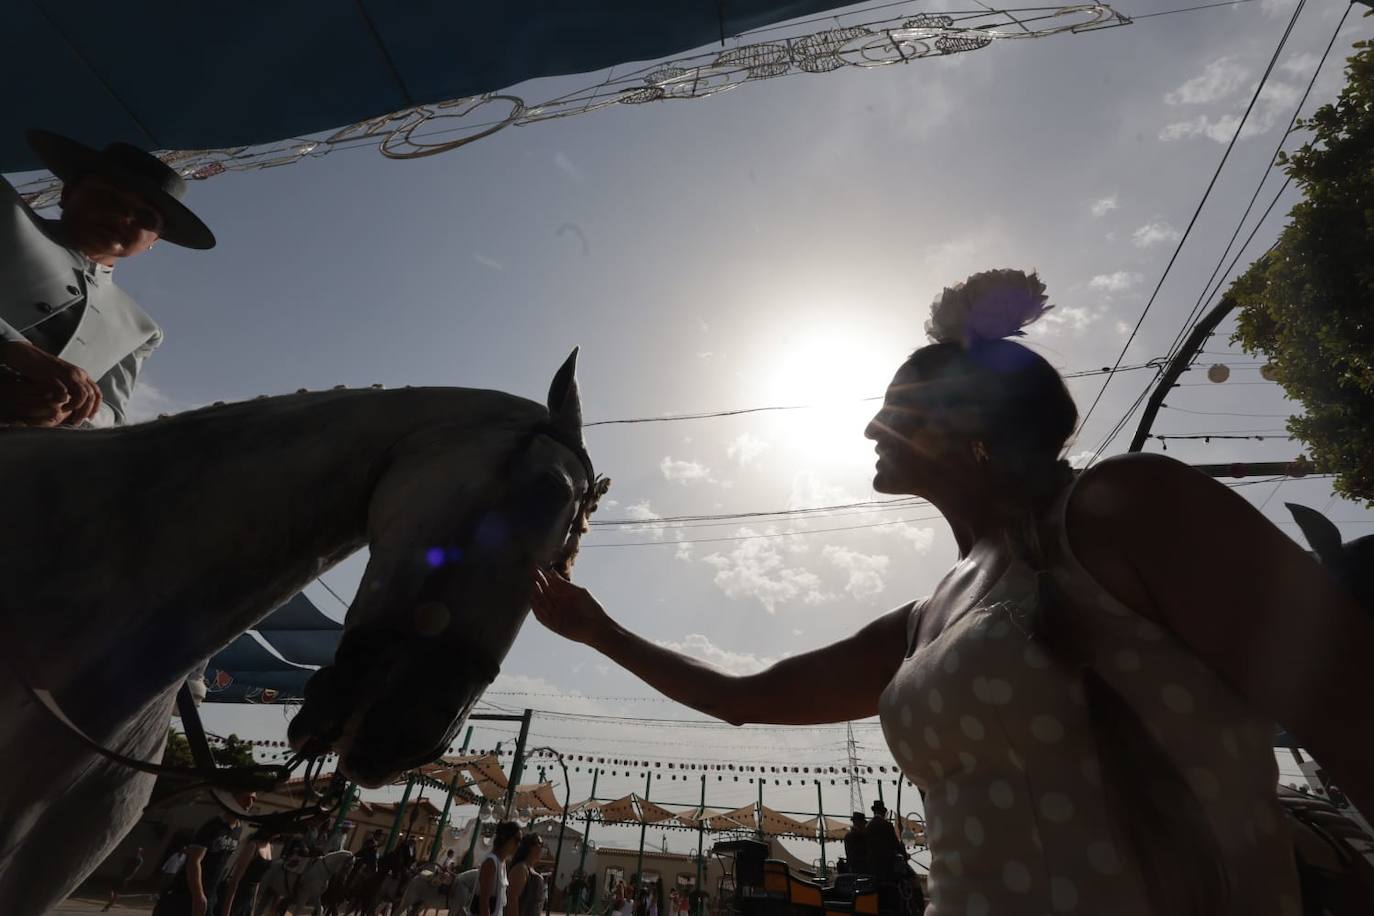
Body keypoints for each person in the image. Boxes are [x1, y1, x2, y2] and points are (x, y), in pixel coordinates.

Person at [531, 268, 1374, 916]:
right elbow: (742, 698)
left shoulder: (1128, 507)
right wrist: (597, 630)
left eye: (895, 408)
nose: (867, 427)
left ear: (970, 423)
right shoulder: (926, 619)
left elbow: (1351, 707)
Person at [1, 129, 215, 428]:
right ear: (67, 194)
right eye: (108, 198)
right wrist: (11, 347)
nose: (123, 218)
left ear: (154, 240)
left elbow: (112, 414)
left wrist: (70, 410)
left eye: (145, 217)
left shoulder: (143, 331)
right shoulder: (5, 209)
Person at [153, 791, 256, 916]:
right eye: (246, 797)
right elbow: (194, 860)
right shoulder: (213, 826)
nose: (249, 803)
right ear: (233, 798)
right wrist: (198, 895)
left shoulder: (238, 830)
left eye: (253, 799)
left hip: (211, 895)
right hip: (187, 893)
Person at [474, 821, 521, 916]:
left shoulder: (502, 863)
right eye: (516, 840)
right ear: (504, 838)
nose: (518, 845)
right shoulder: (491, 862)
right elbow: (484, 902)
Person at [506, 834, 545, 916]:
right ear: (531, 847)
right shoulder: (521, 869)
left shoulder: (531, 869)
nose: (542, 848)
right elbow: (512, 900)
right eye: (540, 844)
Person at [863, 801, 900, 883]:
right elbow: (895, 843)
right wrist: (904, 854)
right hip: (886, 864)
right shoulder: (887, 825)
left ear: (874, 812)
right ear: (883, 812)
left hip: (871, 864)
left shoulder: (867, 826)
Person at [102, 845, 143, 910]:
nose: (136, 852)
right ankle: (109, 904)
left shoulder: (138, 859)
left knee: (116, 892)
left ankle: (109, 905)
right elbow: (124, 863)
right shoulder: (134, 859)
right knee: (113, 890)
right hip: (122, 875)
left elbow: (135, 868)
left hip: (125, 877)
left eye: (137, 851)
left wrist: (130, 876)